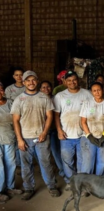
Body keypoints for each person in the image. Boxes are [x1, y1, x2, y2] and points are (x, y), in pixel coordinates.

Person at [11, 71, 60, 200]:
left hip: (41, 137)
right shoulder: (19, 99)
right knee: (26, 164)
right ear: (23, 82)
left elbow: (49, 116)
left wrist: (44, 132)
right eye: (28, 80)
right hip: (25, 138)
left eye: (33, 80)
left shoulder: (44, 97)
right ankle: (28, 188)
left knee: (46, 163)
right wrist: (19, 139)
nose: (31, 82)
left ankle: (51, 186)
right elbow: (15, 120)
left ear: (37, 81)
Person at [54, 71, 92, 190]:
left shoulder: (87, 94)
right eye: (69, 80)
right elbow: (56, 115)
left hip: (83, 134)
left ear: (78, 80)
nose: (72, 82)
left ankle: (80, 182)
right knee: (67, 160)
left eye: (74, 80)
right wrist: (59, 130)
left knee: (82, 160)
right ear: (65, 82)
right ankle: (70, 182)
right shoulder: (60, 96)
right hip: (66, 134)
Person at [80, 82, 104, 175]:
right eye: (94, 91)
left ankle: (98, 183)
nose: (97, 92)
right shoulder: (87, 103)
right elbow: (83, 122)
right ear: (91, 92)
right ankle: (86, 185)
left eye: (99, 90)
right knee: (87, 163)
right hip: (88, 136)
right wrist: (89, 136)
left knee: (102, 162)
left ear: (103, 90)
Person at [0, 84, 23, 203]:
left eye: (1, 89)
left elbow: (17, 119)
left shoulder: (10, 103)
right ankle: (0, 191)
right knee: (0, 166)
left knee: (11, 163)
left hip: (9, 137)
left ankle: (9, 187)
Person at [39, 80, 65, 179]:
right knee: (42, 153)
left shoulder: (56, 99)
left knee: (56, 151)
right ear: (40, 89)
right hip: (42, 130)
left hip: (54, 129)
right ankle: (46, 172)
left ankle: (62, 171)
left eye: (48, 87)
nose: (46, 89)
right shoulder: (38, 99)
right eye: (43, 87)